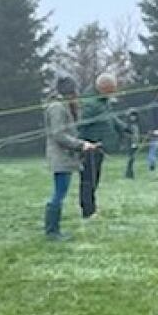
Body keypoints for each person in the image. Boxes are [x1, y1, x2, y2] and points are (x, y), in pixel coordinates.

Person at [43, 74, 97, 240]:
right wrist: (81, 145)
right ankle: (52, 231)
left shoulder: (63, 106)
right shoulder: (57, 107)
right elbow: (59, 135)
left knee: (60, 192)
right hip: (61, 157)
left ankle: (53, 229)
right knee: (59, 193)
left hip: (65, 157)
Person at [78, 73, 127, 219]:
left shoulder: (102, 101)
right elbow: (80, 126)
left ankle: (91, 208)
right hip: (89, 148)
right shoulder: (90, 104)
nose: (113, 93)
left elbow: (110, 117)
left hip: (99, 147)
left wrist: (123, 127)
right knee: (88, 180)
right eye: (111, 90)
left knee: (95, 179)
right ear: (103, 88)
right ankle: (88, 211)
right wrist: (80, 146)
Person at [123, 109, 141, 179]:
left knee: (133, 159)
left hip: (135, 144)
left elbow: (137, 135)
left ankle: (130, 172)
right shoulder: (127, 125)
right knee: (130, 159)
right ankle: (129, 173)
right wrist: (131, 143)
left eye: (134, 116)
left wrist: (137, 142)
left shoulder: (136, 125)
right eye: (132, 116)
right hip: (130, 144)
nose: (133, 117)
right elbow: (127, 136)